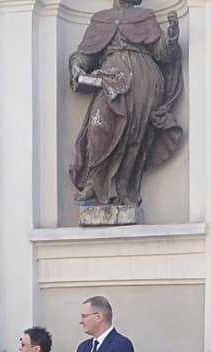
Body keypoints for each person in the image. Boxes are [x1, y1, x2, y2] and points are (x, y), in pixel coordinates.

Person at [68, 0, 183, 208]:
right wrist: (77, 67)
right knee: (98, 125)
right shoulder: (100, 19)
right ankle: (94, 184)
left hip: (144, 83)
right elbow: (85, 55)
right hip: (111, 79)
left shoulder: (145, 16)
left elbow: (161, 52)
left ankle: (123, 189)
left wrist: (171, 37)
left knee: (134, 137)